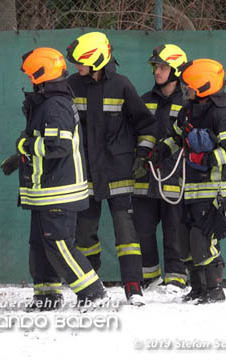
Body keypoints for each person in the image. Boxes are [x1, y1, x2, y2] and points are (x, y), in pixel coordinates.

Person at [2, 47, 108, 311]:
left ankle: (94, 293)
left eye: (31, 75)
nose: (29, 80)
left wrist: (25, 147)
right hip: (45, 191)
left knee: (60, 245)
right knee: (41, 247)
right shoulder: (48, 102)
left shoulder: (55, 105)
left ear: (42, 74)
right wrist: (21, 156)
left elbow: (57, 146)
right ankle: (47, 296)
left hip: (58, 191)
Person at [65, 31, 158, 305]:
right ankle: (92, 290)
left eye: (81, 61)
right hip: (86, 175)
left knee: (126, 234)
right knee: (84, 235)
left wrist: (142, 155)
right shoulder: (72, 85)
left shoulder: (121, 86)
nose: (76, 66)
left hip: (118, 174)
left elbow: (147, 125)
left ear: (97, 60)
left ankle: (133, 288)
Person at [147, 59, 226, 303]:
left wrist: (208, 158)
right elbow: (177, 137)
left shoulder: (224, 113)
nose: (185, 88)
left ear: (203, 85)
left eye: (190, 84)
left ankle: (214, 290)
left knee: (204, 238)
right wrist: (161, 151)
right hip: (190, 186)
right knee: (184, 239)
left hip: (215, 188)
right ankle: (198, 288)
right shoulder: (188, 109)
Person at [132, 44, 188, 293]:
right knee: (142, 229)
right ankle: (150, 277)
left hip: (176, 175)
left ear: (176, 71)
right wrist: (141, 157)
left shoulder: (189, 101)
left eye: (163, 67)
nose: (157, 71)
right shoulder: (145, 100)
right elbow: (140, 133)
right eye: (156, 67)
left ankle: (176, 277)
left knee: (174, 229)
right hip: (146, 176)